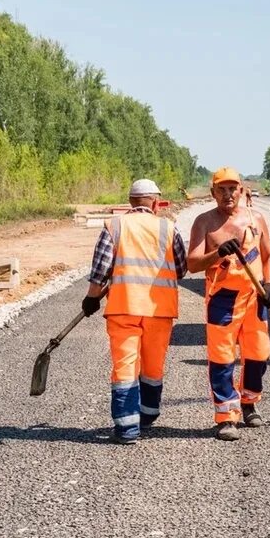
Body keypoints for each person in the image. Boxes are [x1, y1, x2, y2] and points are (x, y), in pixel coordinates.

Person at [81, 178, 186, 445]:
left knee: (125, 365)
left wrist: (91, 299)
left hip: (123, 307)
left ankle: (128, 428)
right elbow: (182, 269)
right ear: (155, 202)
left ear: (130, 202)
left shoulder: (114, 226)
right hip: (160, 310)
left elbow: (100, 271)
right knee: (153, 365)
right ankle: (147, 414)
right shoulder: (168, 227)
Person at [187, 166, 270, 441]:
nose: (228, 194)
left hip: (254, 297)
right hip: (223, 300)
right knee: (223, 359)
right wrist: (217, 253)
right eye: (221, 190)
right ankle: (226, 416)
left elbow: (269, 256)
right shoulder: (204, 222)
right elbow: (192, 264)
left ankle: (249, 403)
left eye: (232, 189)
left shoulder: (256, 218)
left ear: (242, 191)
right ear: (213, 193)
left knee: (259, 354)